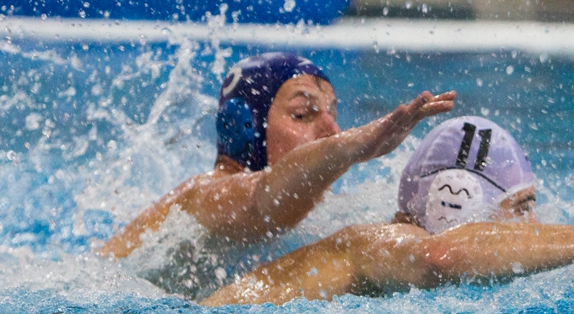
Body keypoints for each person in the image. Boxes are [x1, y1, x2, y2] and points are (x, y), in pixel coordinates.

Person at [202, 116, 574, 306]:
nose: (534, 228)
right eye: (520, 207)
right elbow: (441, 257)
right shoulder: (373, 244)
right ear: (456, 198)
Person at [100, 52, 456, 267]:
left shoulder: (315, 212)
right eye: (304, 114)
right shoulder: (203, 196)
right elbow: (265, 203)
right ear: (245, 129)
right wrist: (351, 148)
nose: (332, 130)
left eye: (333, 113)